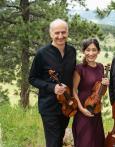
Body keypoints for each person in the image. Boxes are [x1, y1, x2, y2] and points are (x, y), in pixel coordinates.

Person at [29, 18, 76, 147]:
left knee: (59, 138)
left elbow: (72, 75)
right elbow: (32, 78)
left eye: (63, 32)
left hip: (66, 105)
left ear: (67, 32)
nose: (60, 36)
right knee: (53, 142)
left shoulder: (72, 51)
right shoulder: (42, 54)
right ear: (51, 34)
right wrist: (52, 87)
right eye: (56, 33)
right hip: (49, 106)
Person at [72, 38, 109, 147]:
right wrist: (81, 109)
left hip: (96, 110)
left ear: (98, 51)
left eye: (94, 50)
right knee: (85, 142)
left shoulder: (101, 67)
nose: (91, 53)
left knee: (97, 142)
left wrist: (105, 84)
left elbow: (101, 91)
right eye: (88, 50)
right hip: (82, 111)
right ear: (83, 51)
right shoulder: (79, 68)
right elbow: (74, 91)